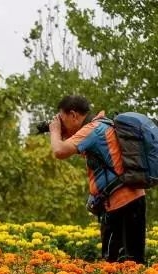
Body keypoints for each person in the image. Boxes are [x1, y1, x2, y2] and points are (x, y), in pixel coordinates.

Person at [50, 94, 147, 264]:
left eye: (62, 119)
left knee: (121, 264)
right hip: (128, 201)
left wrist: (54, 131)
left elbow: (59, 151)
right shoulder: (103, 126)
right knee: (130, 263)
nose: (61, 124)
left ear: (73, 115)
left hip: (122, 203)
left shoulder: (93, 129)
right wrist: (62, 131)